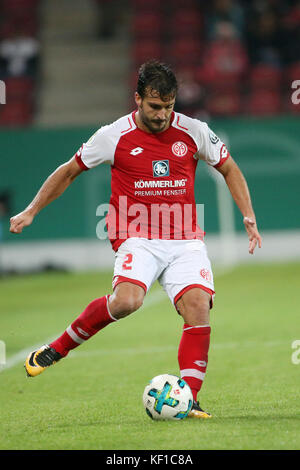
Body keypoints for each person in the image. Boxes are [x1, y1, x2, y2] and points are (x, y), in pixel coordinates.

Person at [10, 60, 262, 419]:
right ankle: (58, 348)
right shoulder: (113, 135)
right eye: (155, 106)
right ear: (138, 99)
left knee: (198, 306)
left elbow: (229, 167)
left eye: (169, 106)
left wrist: (248, 215)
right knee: (127, 302)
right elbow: (69, 171)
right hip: (136, 235)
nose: (162, 115)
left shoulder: (193, 131)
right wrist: (32, 210)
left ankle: (188, 397)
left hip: (185, 237)